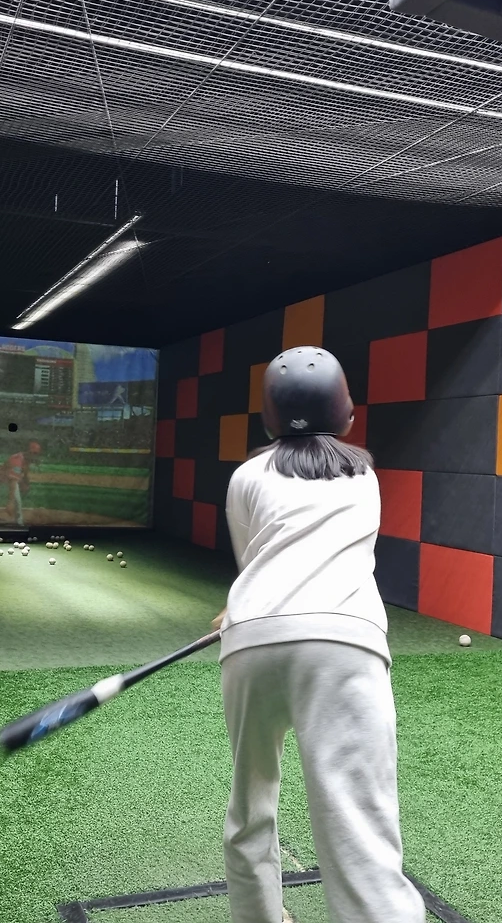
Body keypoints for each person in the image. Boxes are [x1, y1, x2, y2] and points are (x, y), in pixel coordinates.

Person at [211, 347, 424, 923]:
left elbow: (253, 560)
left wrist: (241, 610)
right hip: (343, 641)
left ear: (268, 418)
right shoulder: (364, 475)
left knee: (250, 805)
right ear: (345, 413)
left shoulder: (245, 476)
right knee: (357, 821)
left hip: (250, 640)